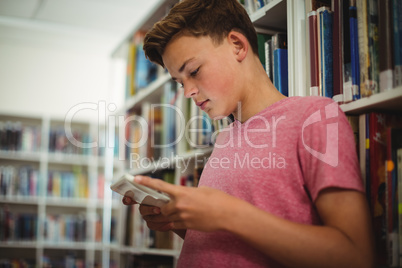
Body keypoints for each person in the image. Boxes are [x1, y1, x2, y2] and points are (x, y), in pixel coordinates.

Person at [122, 0, 374, 267]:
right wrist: (179, 220)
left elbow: (355, 255)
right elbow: (231, 244)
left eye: (194, 71)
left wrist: (228, 213)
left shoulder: (316, 118)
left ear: (237, 45)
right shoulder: (225, 138)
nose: (188, 92)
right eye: (180, 82)